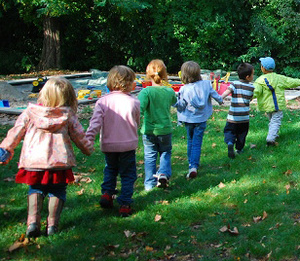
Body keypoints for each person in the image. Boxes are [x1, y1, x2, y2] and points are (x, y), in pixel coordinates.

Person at [0, 77, 94, 237]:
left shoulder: (30, 112)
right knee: (57, 190)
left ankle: (32, 223)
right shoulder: (68, 115)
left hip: (34, 161)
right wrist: (88, 149)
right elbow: (79, 136)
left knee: (36, 188)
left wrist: (5, 149)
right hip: (59, 162)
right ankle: (52, 225)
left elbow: (16, 132)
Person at [86, 66, 140, 217]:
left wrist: (89, 139)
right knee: (128, 174)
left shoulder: (103, 102)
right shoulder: (133, 102)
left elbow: (95, 123)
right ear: (129, 83)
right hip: (128, 144)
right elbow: (136, 121)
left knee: (110, 169)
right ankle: (125, 203)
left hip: (109, 144)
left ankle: (107, 194)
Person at [174, 61, 223, 178]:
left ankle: (191, 164)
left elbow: (181, 105)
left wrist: (174, 103)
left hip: (188, 119)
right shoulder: (206, 84)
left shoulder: (184, 89)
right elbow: (215, 94)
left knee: (190, 141)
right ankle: (193, 165)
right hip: (201, 119)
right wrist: (220, 100)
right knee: (197, 143)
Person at [139, 59, 177, 190]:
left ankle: (149, 184)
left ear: (148, 74)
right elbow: (175, 102)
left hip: (149, 130)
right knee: (165, 152)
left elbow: (139, 109)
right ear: (165, 74)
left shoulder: (146, 92)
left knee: (150, 156)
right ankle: (163, 173)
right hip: (165, 129)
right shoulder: (169, 91)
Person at [253, 57, 300, 146]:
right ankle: (270, 138)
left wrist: (248, 97)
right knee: (275, 121)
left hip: (266, 105)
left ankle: (273, 134)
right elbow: (290, 82)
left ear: (263, 68)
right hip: (277, 105)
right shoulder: (279, 78)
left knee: (272, 120)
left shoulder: (259, 80)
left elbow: (255, 91)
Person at [221, 63, 255, 158]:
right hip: (244, 117)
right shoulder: (251, 87)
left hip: (233, 117)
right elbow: (250, 99)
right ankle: (239, 149)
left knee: (229, 131)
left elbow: (228, 91)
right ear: (248, 77)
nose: (253, 76)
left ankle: (230, 142)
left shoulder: (234, 84)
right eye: (253, 74)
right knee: (242, 134)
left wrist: (220, 98)